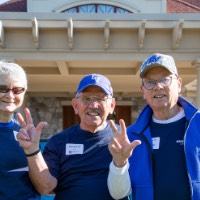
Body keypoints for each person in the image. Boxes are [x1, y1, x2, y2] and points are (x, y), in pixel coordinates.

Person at [16, 74, 130, 200]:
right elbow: (46, 188)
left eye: (100, 98)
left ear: (112, 106)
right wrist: (32, 152)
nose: (93, 105)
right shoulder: (59, 142)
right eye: (86, 99)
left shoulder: (124, 140)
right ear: (75, 106)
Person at [107, 53, 200, 200]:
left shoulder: (198, 124)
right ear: (143, 90)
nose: (158, 87)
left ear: (179, 84)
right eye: (150, 82)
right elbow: (118, 194)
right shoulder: (131, 136)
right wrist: (119, 163)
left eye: (165, 79)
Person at [0, 61, 40, 199]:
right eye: (2, 88)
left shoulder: (25, 133)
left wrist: (34, 151)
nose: (10, 95)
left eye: (17, 90)